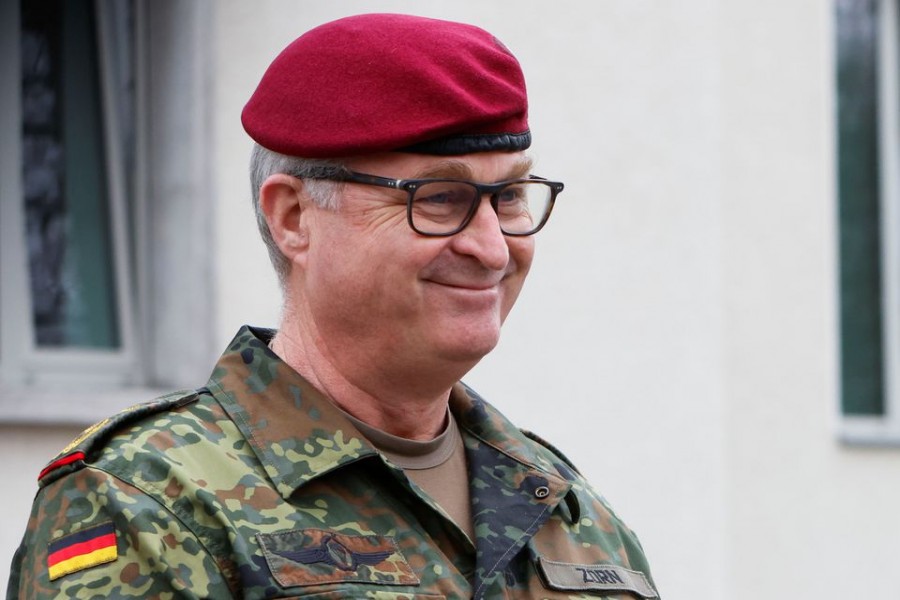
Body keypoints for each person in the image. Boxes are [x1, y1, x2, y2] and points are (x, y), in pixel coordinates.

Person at [7, 13, 658, 599]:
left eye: (510, 198)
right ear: (294, 218)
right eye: (439, 199)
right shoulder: (148, 501)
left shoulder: (566, 510)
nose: (492, 248)